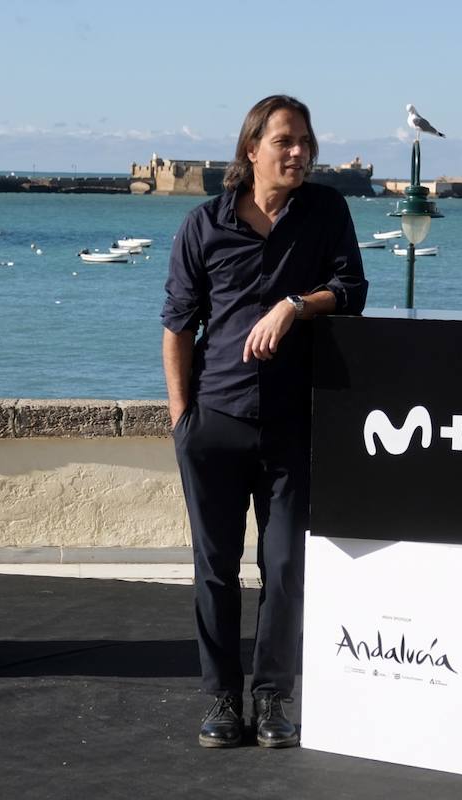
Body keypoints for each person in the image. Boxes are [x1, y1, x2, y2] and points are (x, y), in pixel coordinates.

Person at [161, 95, 367, 749]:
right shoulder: (204, 224)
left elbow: (353, 291)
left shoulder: (326, 211)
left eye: (305, 141)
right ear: (251, 149)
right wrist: (181, 419)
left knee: (284, 566)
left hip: (291, 425)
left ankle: (274, 696)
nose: (299, 152)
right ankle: (222, 698)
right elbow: (177, 325)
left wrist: (293, 304)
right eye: (285, 141)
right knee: (215, 568)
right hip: (215, 421)